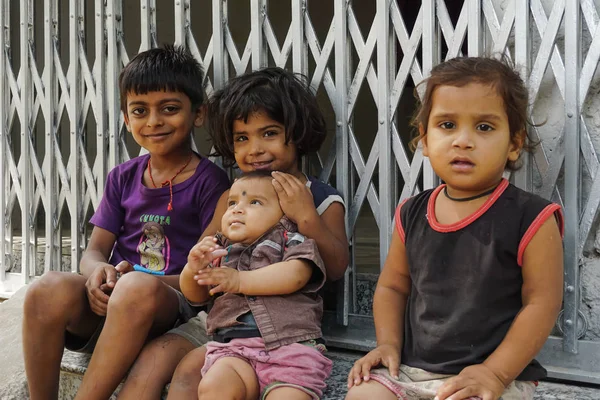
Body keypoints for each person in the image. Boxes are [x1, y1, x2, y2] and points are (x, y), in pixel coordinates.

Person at [120, 67, 349, 399]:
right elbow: (201, 283)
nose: (254, 149)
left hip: (285, 332)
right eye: (242, 138)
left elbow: (337, 265)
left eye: (268, 133)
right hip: (225, 329)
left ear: (297, 133)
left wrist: (307, 218)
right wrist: (197, 265)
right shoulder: (235, 199)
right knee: (177, 368)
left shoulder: (320, 197)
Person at [345, 57, 564, 400]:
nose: (463, 140)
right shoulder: (411, 212)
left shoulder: (532, 217)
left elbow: (542, 303)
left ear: (514, 144)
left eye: (484, 127)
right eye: (447, 125)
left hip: (493, 375)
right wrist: (387, 345)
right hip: (412, 369)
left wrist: (495, 372)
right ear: (425, 140)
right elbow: (391, 287)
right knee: (362, 395)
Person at [22, 45, 230, 400]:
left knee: (137, 287)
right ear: (125, 118)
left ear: (198, 113)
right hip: (114, 301)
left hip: (171, 307)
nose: (153, 122)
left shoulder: (211, 183)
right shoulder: (123, 177)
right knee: (47, 288)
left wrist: (129, 283)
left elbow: (202, 276)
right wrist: (99, 274)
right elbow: (94, 251)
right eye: (140, 110)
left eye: (169, 109)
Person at [182, 171, 333, 399]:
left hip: (289, 349)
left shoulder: (292, 239)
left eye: (255, 202)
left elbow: (296, 274)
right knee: (215, 386)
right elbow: (196, 295)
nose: (237, 209)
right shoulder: (218, 248)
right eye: (232, 203)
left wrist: (239, 280)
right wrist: (192, 269)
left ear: (285, 214)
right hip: (233, 348)